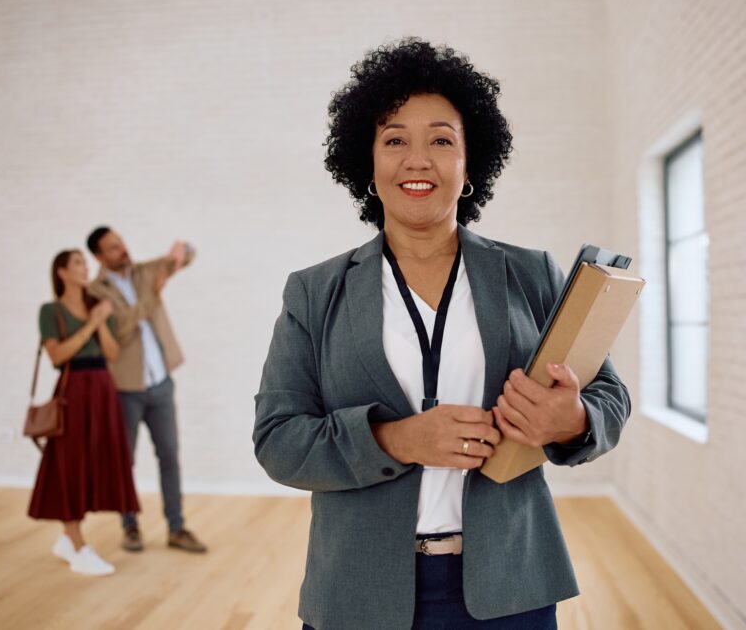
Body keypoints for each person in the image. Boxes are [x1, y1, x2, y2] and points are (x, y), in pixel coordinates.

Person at [254, 38, 631, 630]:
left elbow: (609, 395)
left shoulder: (531, 273)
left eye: (441, 139)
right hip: (358, 591)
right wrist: (397, 440)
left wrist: (574, 419)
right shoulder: (313, 292)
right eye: (395, 139)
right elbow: (278, 439)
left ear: (469, 165)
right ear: (368, 164)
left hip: (511, 587)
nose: (418, 158)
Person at [86, 227, 207, 554]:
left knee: (169, 456)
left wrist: (183, 249)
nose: (122, 250)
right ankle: (130, 527)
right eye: (113, 248)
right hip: (126, 389)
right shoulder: (95, 291)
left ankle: (177, 527)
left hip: (161, 384)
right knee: (125, 462)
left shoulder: (143, 271)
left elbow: (186, 257)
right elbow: (121, 329)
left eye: (121, 242)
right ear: (99, 256)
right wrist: (153, 295)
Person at [28, 249, 141, 577]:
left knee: (94, 462)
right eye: (77, 262)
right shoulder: (50, 311)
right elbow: (57, 355)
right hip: (73, 392)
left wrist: (100, 321)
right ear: (61, 272)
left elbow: (111, 352)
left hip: (103, 390)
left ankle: (67, 539)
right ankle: (78, 546)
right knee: (70, 466)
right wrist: (91, 323)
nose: (84, 268)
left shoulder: (95, 305)